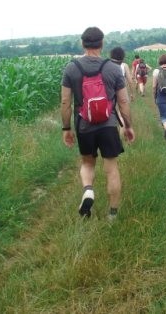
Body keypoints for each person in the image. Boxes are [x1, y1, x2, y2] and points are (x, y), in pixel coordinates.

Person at [61, 27, 135, 221]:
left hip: (84, 125)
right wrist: (128, 126)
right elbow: (124, 101)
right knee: (111, 168)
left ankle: (88, 191)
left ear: (82, 44)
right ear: (102, 44)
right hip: (109, 124)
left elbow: (65, 102)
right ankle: (112, 215)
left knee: (87, 162)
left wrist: (66, 128)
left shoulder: (71, 68)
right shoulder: (112, 68)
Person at [152, 54, 166, 139]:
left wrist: (154, 96)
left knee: (164, 115)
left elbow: (154, 86)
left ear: (159, 61)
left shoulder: (156, 71)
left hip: (161, 96)